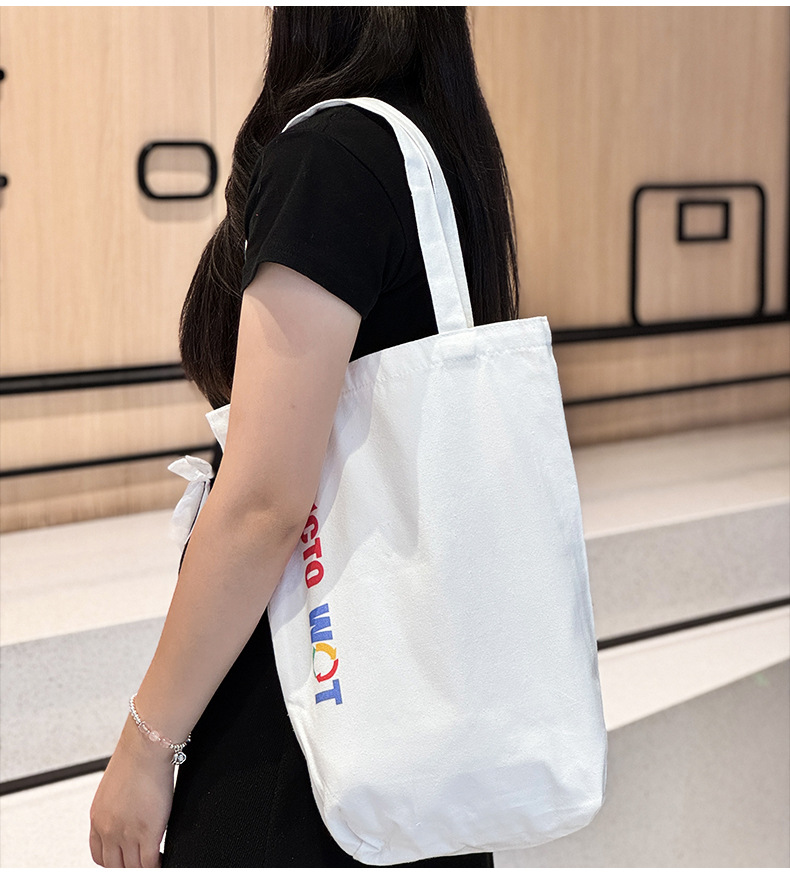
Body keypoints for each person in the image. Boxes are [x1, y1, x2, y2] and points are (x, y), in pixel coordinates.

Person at [89, 7, 520, 868]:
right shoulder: (440, 153)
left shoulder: (330, 156)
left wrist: (144, 746)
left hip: (304, 717)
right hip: (416, 715)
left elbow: (264, 503)